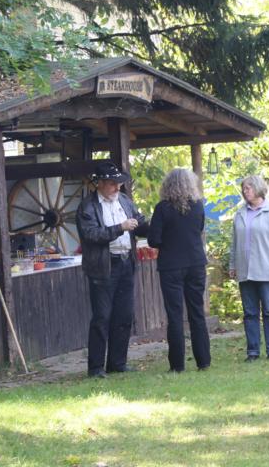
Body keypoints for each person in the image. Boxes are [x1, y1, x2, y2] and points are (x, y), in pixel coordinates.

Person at [76, 162, 149, 378]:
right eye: (112, 183)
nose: (117, 187)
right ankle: (96, 367)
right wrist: (120, 228)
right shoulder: (87, 207)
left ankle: (118, 363)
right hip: (103, 266)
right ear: (99, 184)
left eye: (118, 183)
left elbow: (139, 223)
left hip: (126, 262)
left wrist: (158, 226)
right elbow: (91, 235)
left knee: (124, 315)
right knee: (102, 317)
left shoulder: (124, 201)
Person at [148, 168, 211, 373]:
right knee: (197, 312)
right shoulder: (198, 206)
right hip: (195, 263)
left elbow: (153, 240)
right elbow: (199, 229)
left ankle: (177, 365)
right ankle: (203, 360)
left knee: (174, 315)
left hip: (171, 266)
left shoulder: (162, 208)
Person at [229, 175, 269, 362]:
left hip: (266, 268)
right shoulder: (240, 214)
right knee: (250, 313)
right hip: (245, 270)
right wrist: (233, 265)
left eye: (248, 188)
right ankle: (252, 351)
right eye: (244, 188)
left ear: (258, 188)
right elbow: (234, 243)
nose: (245, 191)